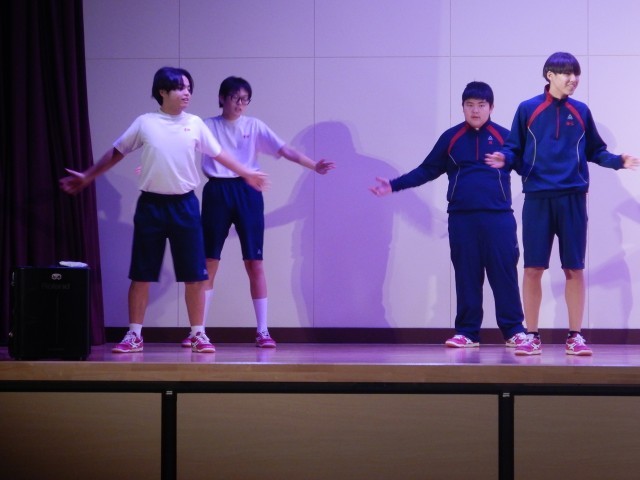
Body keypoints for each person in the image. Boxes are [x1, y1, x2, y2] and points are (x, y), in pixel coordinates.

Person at [60, 66, 269, 354]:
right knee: (141, 274)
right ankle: (134, 334)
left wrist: (247, 173)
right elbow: (116, 152)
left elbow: (220, 155)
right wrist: (87, 176)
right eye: (180, 87)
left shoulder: (195, 123)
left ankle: (198, 334)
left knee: (195, 275)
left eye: (189, 88)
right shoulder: (145, 123)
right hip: (151, 206)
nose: (187, 93)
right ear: (162, 91)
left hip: (185, 206)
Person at [485, 52, 640, 356]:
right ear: (550, 75)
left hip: (573, 198)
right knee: (533, 268)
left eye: (576, 74)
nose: (573, 79)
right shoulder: (528, 109)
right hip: (538, 198)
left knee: (574, 268)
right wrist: (505, 158)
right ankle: (531, 335)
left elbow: (596, 151)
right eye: (567, 74)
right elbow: (514, 148)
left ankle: (575, 336)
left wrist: (618, 161)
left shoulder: (581, 111)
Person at [370, 81, 527, 349]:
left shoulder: (506, 137)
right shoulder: (451, 138)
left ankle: (514, 331)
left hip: (498, 218)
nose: (475, 110)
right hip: (462, 219)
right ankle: (467, 332)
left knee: (505, 275)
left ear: (491, 107)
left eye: (481, 105)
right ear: (462, 107)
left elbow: (528, 167)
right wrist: (394, 185)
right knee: (466, 276)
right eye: (469, 105)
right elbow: (427, 170)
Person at [189, 76, 335, 349]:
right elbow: (181, 148)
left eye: (245, 99)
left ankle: (263, 330)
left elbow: (284, 149)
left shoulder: (254, 126)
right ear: (222, 98)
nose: (240, 104)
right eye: (235, 98)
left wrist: (314, 165)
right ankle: (199, 332)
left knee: (254, 261)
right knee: (209, 261)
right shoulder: (206, 126)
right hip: (217, 191)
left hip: (248, 192)